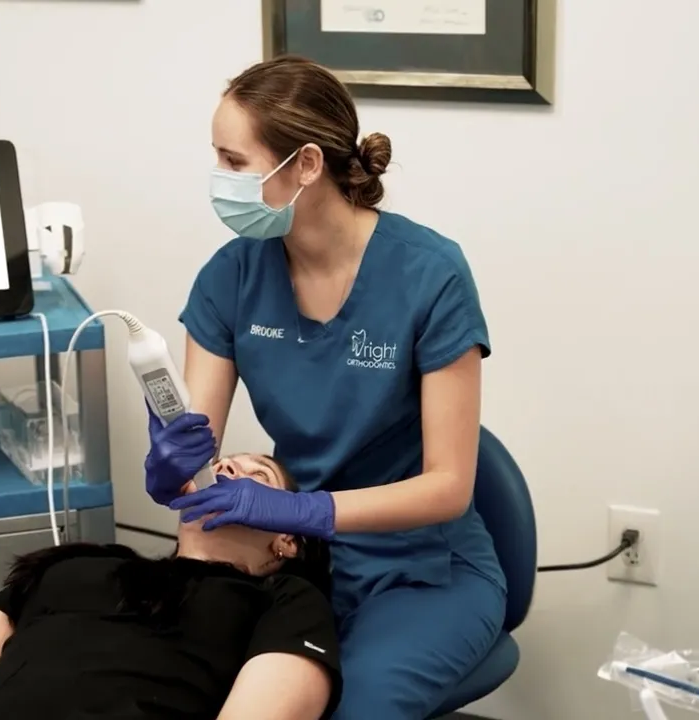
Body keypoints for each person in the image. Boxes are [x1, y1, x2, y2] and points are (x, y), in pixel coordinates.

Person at [144, 55, 507, 720]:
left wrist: (306, 512)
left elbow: (448, 486)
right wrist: (173, 470)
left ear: (306, 165)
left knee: (354, 707)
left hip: (421, 570)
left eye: (233, 161)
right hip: (291, 564)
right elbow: (195, 453)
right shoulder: (231, 278)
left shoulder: (430, 274)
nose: (219, 179)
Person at [0, 453, 342, 720]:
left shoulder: (283, 602)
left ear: (287, 541)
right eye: (226, 461)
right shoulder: (77, 565)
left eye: (257, 475)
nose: (228, 468)